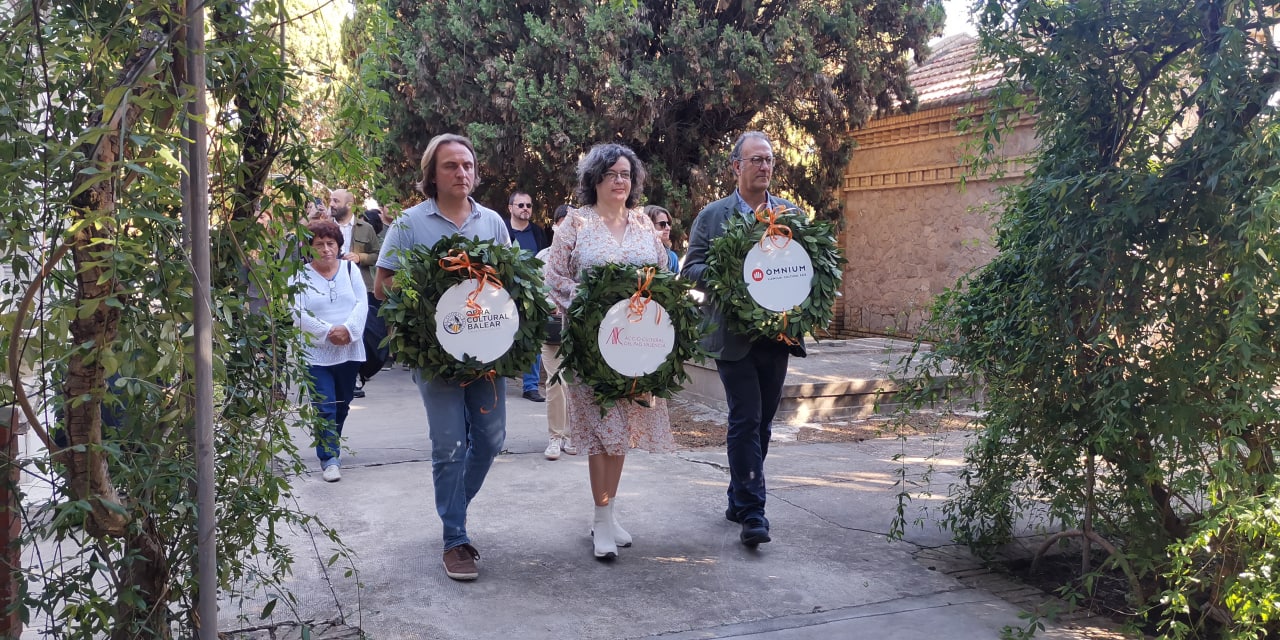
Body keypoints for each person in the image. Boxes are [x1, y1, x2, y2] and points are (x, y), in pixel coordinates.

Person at [374, 133, 512, 581]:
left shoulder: (492, 222)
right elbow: (383, 286)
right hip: (434, 355)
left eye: (467, 165)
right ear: (431, 174)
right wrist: (433, 287)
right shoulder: (409, 224)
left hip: (486, 353)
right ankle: (455, 539)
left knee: (490, 440)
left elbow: (510, 282)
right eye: (451, 165)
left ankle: (455, 510)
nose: (461, 172)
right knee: (449, 446)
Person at [545, 144, 675, 560]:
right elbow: (553, 277)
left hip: (637, 344)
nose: (620, 181)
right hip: (590, 344)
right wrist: (591, 299)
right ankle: (601, 520)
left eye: (626, 174)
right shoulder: (576, 224)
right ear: (594, 178)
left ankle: (607, 513)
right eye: (611, 173)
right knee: (602, 430)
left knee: (620, 432)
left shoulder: (643, 223)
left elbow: (662, 274)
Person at [681, 131, 804, 547]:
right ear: (736, 166)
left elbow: (807, 266)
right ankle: (754, 512)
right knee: (746, 418)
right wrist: (732, 272)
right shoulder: (712, 216)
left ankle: (738, 497)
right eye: (756, 160)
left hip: (776, 334)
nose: (764, 166)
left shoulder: (791, 213)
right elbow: (691, 269)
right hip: (732, 336)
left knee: (764, 421)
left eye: (768, 159)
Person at [292, 220, 367, 483]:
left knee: (342, 404)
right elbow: (297, 312)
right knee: (325, 405)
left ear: (338, 245)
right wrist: (327, 332)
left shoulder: (350, 269)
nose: (326, 249)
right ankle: (329, 458)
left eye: (330, 243)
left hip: (349, 349)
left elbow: (362, 303)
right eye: (319, 244)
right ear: (309, 248)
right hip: (316, 353)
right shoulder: (299, 276)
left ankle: (331, 442)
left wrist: (348, 330)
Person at [329, 188, 383, 398]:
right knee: (337, 331)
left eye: (336, 201)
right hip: (333, 288)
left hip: (360, 286)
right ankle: (336, 376)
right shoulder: (325, 228)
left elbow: (378, 255)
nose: (331, 204)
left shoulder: (366, 228)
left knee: (360, 332)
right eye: (331, 200)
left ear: (349, 205)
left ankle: (357, 376)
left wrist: (360, 257)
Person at [536, 205, 578, 460]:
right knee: (555, 382)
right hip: (551, 329)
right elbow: (533, 291)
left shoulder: (584, 256)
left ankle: (572, 434)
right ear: (555, 225)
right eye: (564, 222)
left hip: (577, 330)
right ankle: (555, 436)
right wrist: (548, 305)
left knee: (574, 383)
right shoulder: (543, 257)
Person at [505, 190, 552, 402]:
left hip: (532, 293)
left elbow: (545, 261)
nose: (525, 209)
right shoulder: (503, 230)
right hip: (506, 292)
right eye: (521, 205)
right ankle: (496, 379)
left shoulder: (538, 232)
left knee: (533, 338)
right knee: (502, 335)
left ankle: (531, 386)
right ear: (510, 208)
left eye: (529, 205)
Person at [644, 204, 679, 271]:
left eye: (668, 223)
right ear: (648, 225)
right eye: (662, 224)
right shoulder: (636, 255)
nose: (668, 228)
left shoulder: (672, 258)